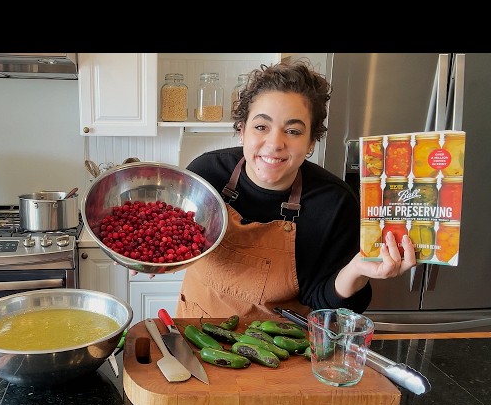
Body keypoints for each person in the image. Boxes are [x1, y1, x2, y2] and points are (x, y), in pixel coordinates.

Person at [173, 59, 417, 320]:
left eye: (292, 130)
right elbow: (175, 238)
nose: (275, 143)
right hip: (194, 331)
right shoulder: (205, 174)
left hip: (277, 349)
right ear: (242, 131)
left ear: (311, 141)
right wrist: (149, 256)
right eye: (261, 127)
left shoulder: (334, 203)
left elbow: (323, 302)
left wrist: (357, 270)